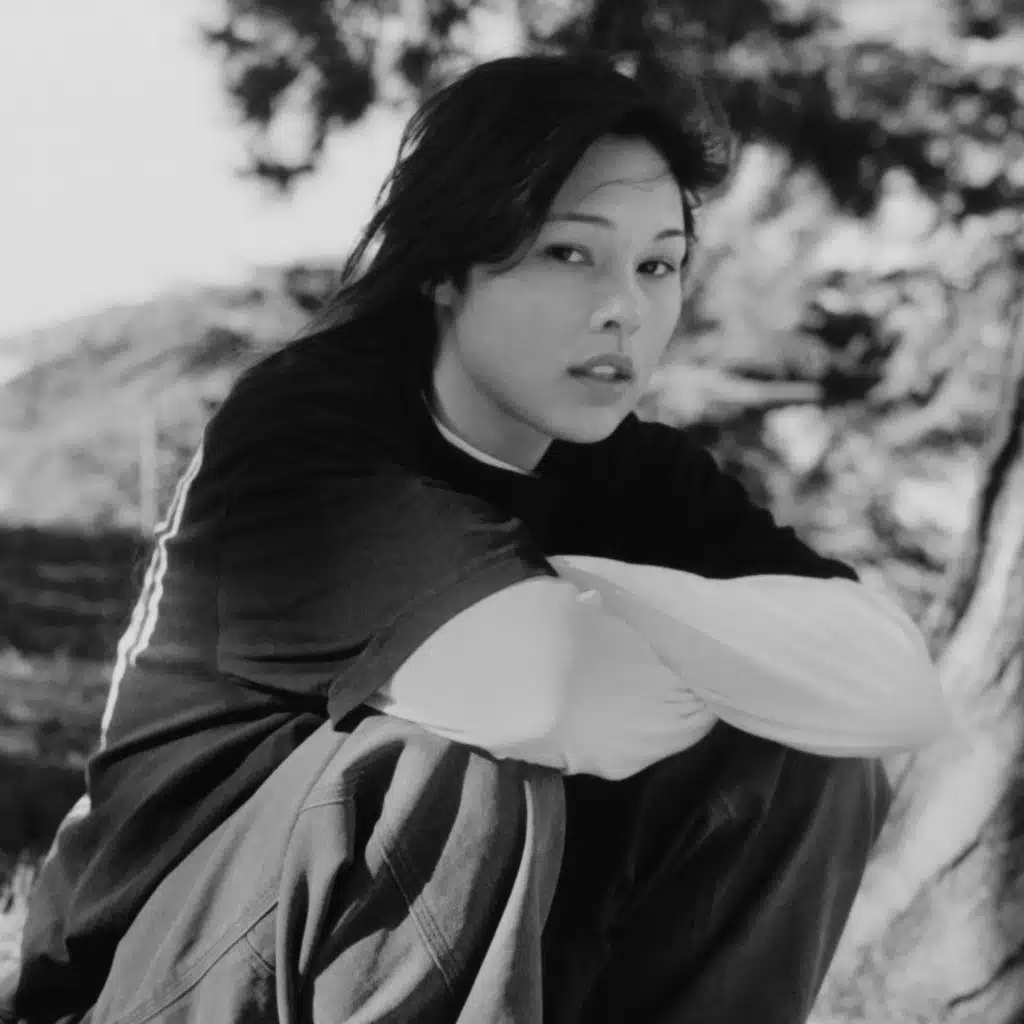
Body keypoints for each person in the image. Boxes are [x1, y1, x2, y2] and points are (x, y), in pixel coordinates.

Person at [0, 53, 951, 1024]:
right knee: (451, 764)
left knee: (809, 757)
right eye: (569, 253)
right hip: (162, 983)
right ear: (447, 264)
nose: (623, 308)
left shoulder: (630, 468)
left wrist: (580, 594)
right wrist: (713, 651)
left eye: (657, 265)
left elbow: (895, 694)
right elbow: (549, 693)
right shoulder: (305, 434)